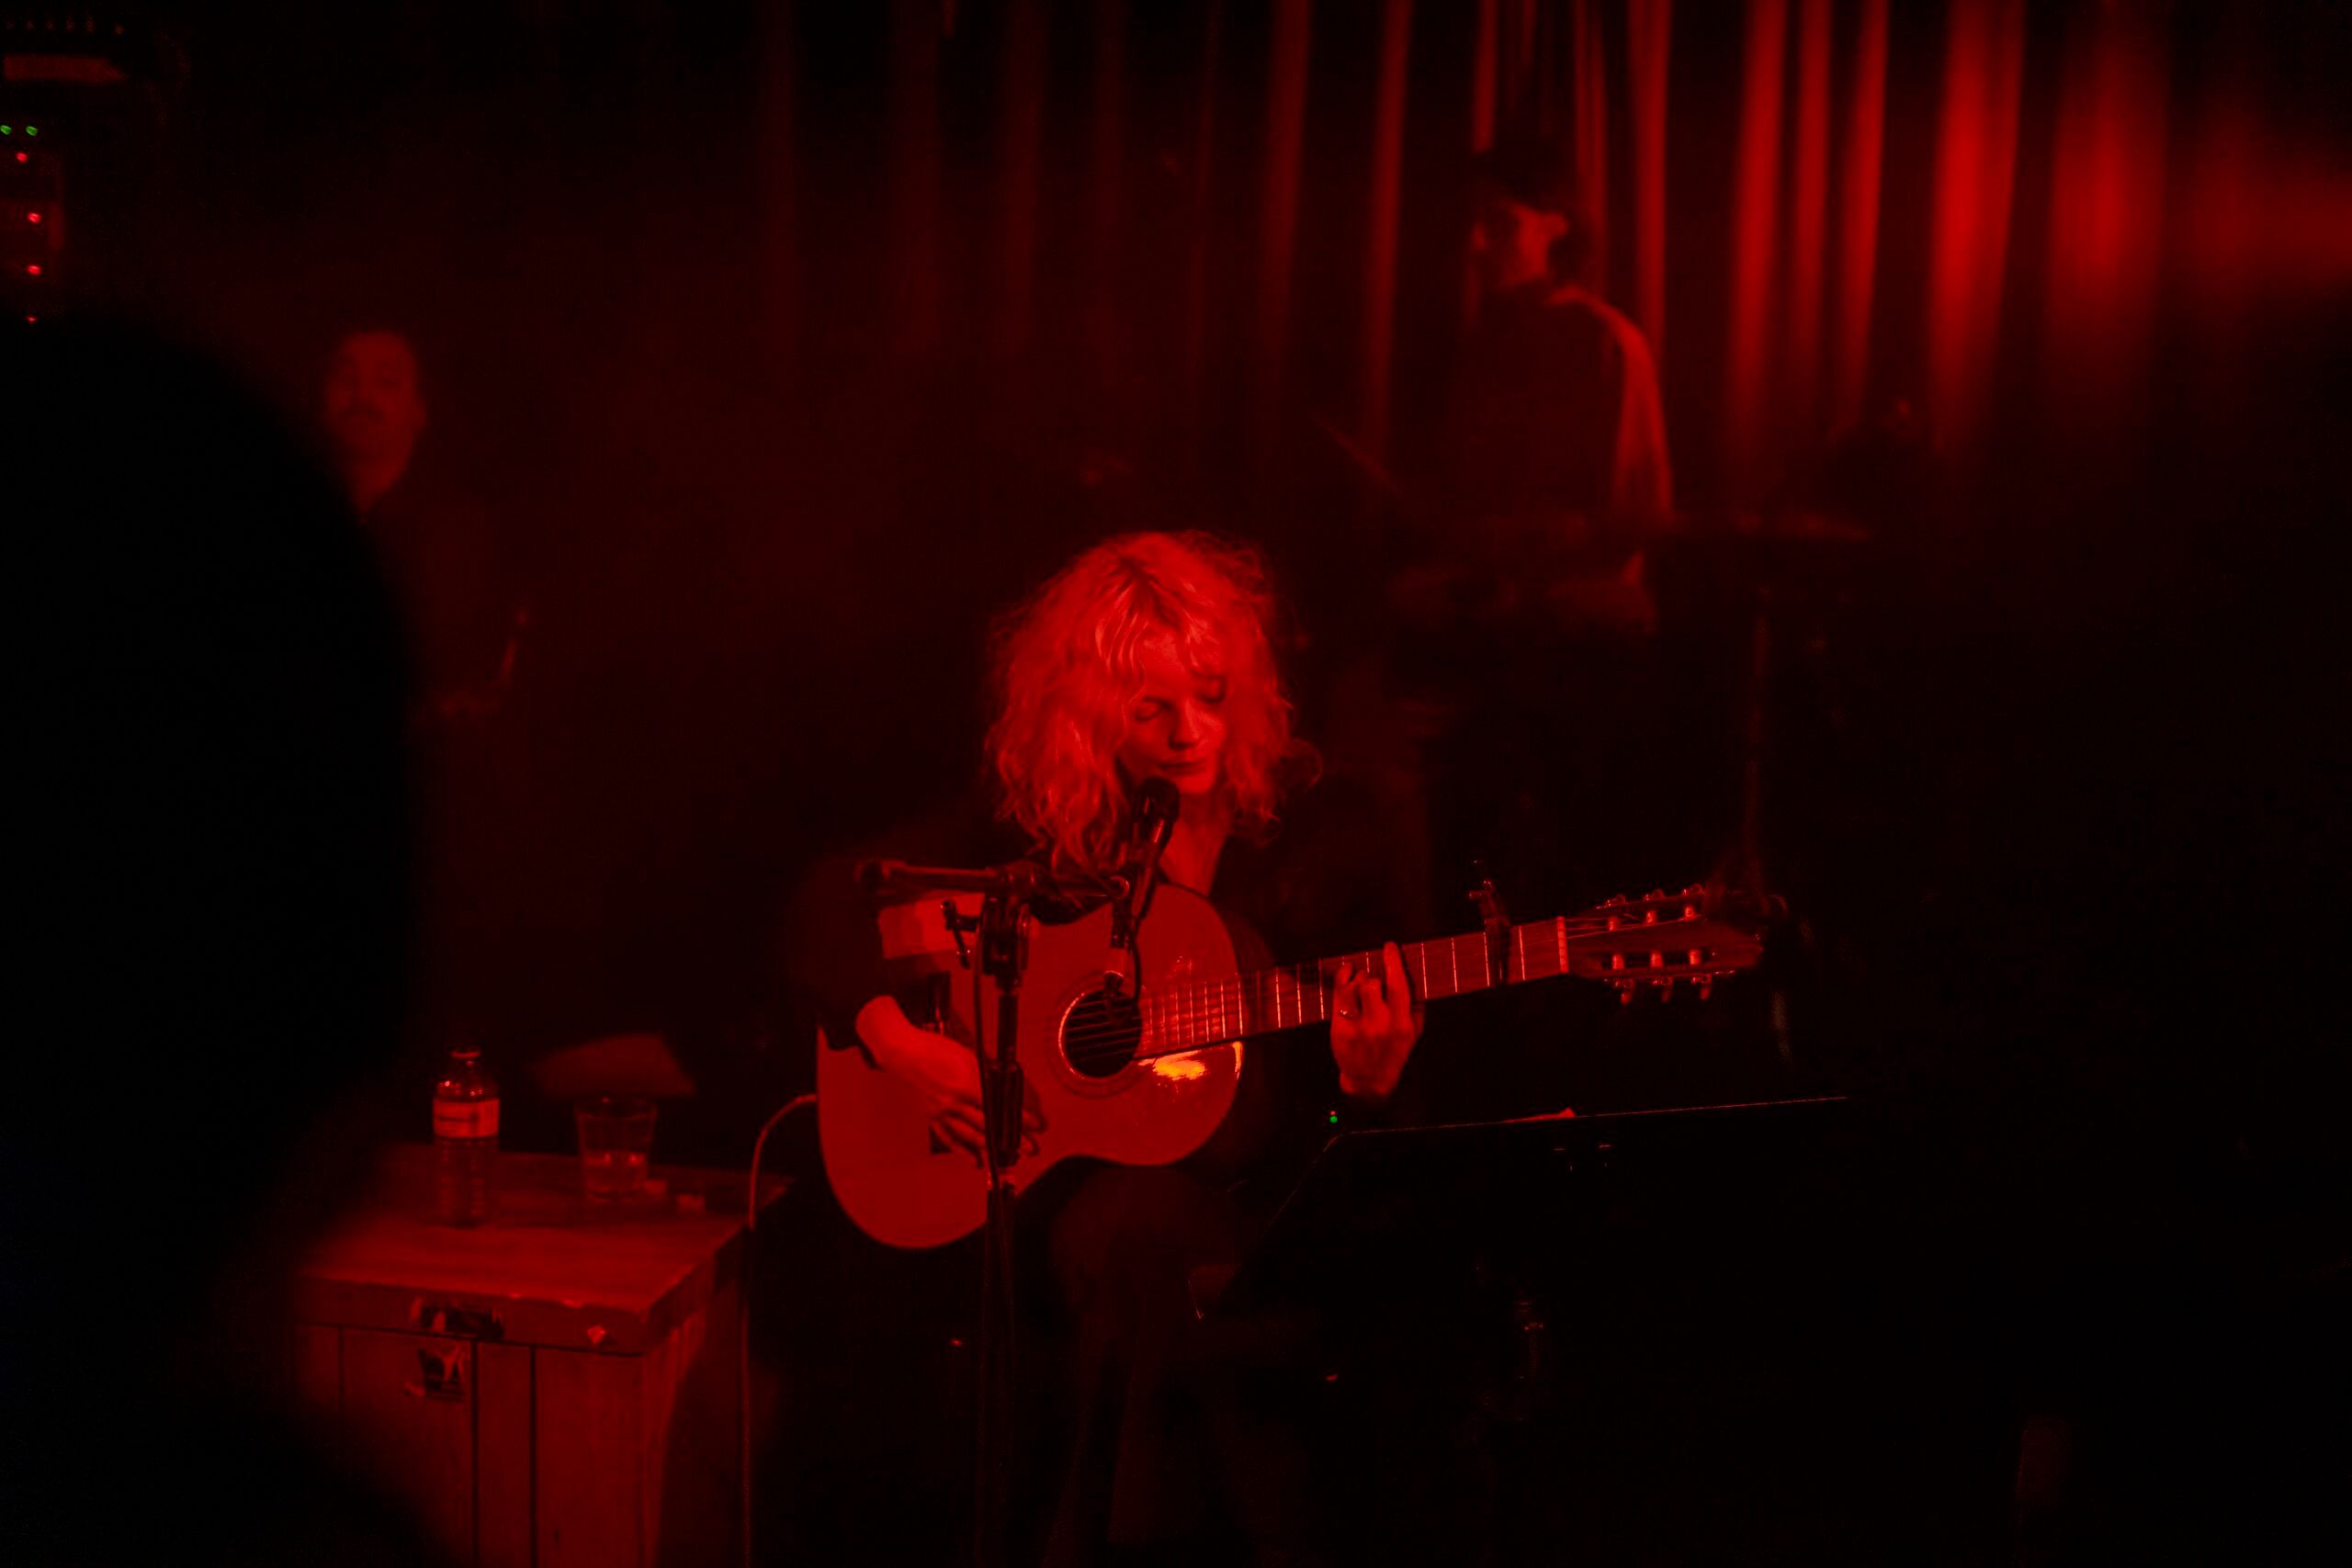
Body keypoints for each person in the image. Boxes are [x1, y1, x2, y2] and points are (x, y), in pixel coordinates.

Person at [781, 531, 1427, 1566]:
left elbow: (1358, 1144)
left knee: (1146, 1246)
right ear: (1087, 712)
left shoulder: (1317, 838)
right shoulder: (1049, 828)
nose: (1189, 731)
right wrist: (902, 1044)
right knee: (1134, 1237)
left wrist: (1367, 1085)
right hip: (1071, 1200)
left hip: (1264, 1197)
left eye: (1211, 695)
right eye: (1149, 707)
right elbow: (834, 901)